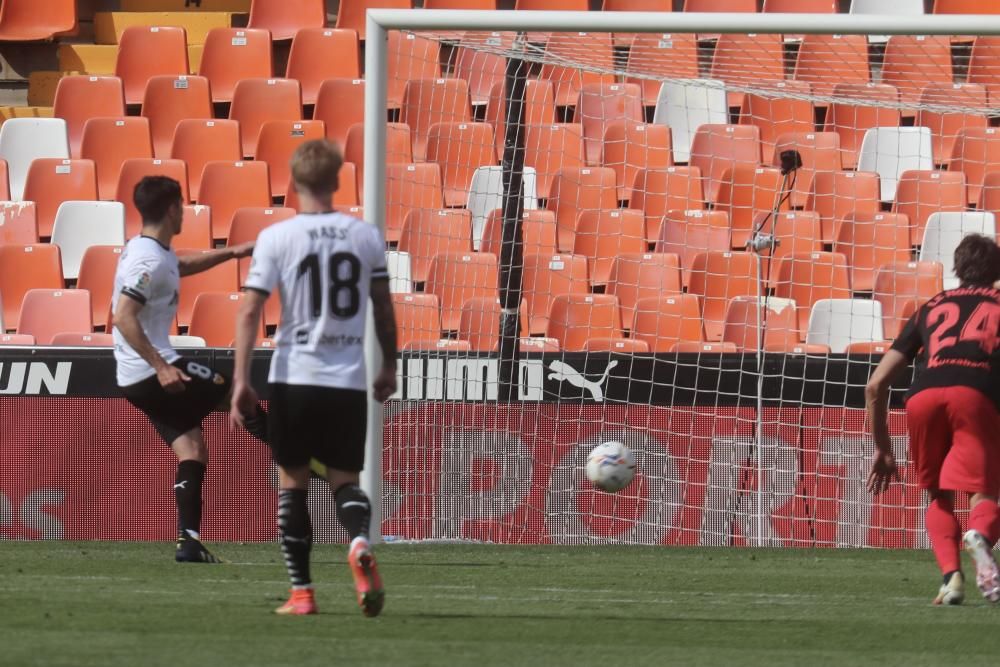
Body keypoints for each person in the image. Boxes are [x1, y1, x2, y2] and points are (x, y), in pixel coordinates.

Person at [229, 139, 397, 617]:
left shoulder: (277, 238)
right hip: (346, 378)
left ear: (294, 182)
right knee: (345, 480)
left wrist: (242, 379)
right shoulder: (364, 236)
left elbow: (248, 310)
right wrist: (389, 365)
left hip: (293, 376)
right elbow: (382, 309)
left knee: (293, 483)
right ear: (338, 180)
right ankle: (359, 540)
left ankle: (302, 593)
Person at [112, 175, 259, 564]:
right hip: (150, 370)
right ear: (173, 208)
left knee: (192, 448)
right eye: (183, 204)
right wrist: (161, 366)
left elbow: (179, 265)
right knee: (233, 385)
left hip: (133, 377)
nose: (186, 211)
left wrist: (232, 254)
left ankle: (189, 542)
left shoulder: (151, 251)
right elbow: (123, 317)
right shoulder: (146, 259)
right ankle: (298, 457)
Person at [867, 233, 1000, 606]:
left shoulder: (930, 307)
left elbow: (875, 385)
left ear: (957, 269)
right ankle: (980, 537)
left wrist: (883, 448)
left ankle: (951, 579)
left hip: (922, 395)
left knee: (937, 494)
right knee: (984, 493)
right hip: (975, 393)